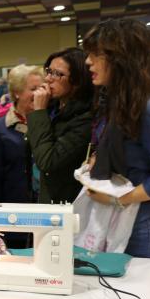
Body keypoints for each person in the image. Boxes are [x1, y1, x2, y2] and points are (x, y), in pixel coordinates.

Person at [83, 18, 150, 258]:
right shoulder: (122, 101)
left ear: (121, 58)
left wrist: (116, 199)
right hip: (127, 220)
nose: (88, 62)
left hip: (148, 226)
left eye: (95, 54)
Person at [0, 65, 44, 248]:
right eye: (33, 89)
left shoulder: (48, 122)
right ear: (17, 92)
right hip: (12, 215)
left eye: (41, 88)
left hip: (45, 214)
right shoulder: (1, 127)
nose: (39, 94)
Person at [28, 47, 94, 203]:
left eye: (58, 74)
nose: (49, 79)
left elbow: (47, 161)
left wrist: (39, 112)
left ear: (77, 81)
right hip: (45, 193)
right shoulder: (53, 107)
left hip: (69, 202)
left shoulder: (85, 118)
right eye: (49, 71)